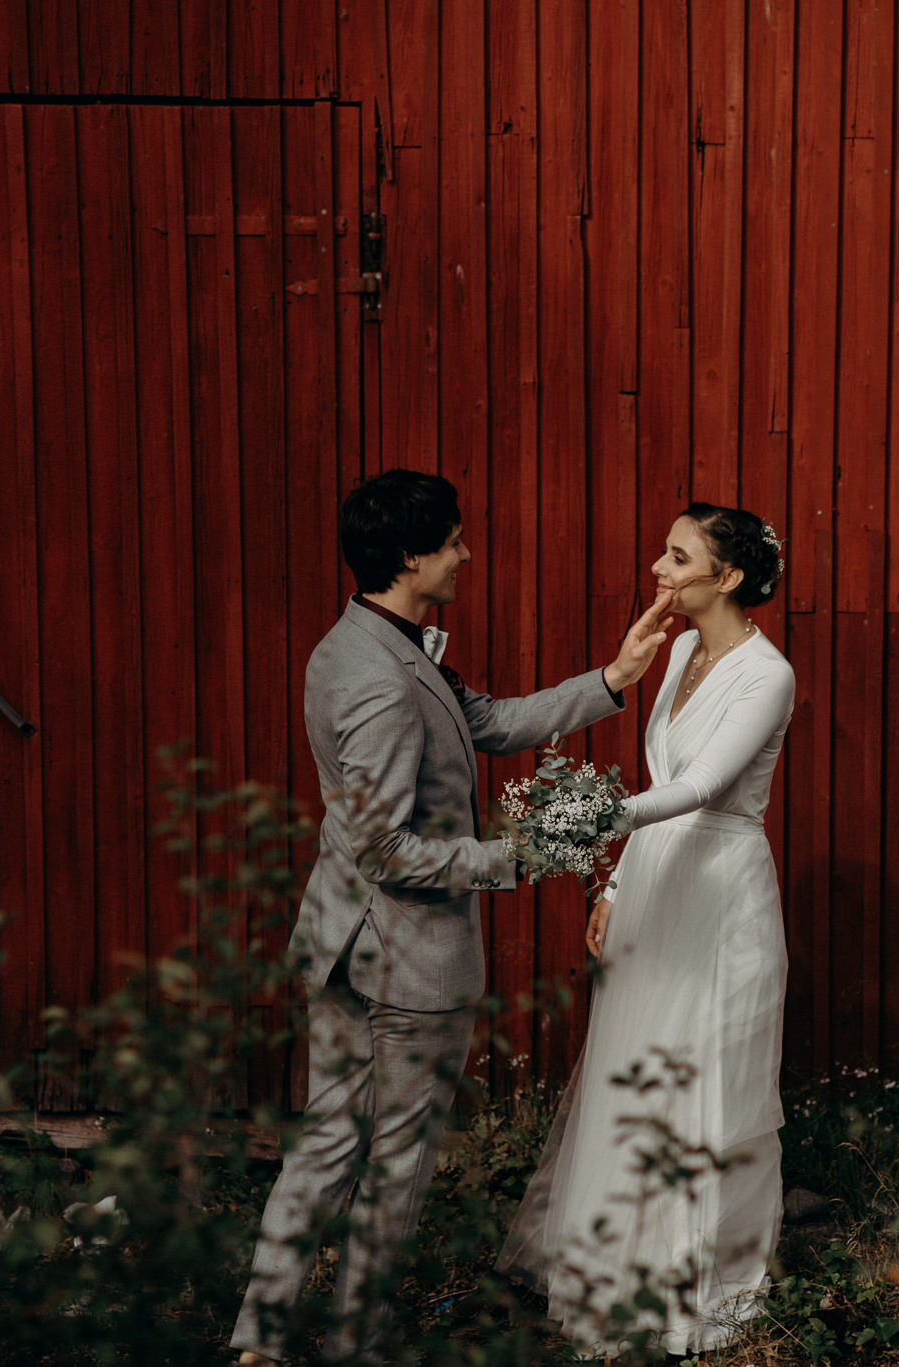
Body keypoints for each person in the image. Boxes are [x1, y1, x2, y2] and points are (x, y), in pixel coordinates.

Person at [232, 469, 674, 1365]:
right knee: (395, 1164)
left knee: (323, 1146)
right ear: (411, 554)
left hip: (339, 944)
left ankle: (260, 1341)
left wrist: (614, 678)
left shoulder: (360, 643)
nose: (467, 555)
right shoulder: (386, 682)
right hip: (402, 960)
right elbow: (386, 849)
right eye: (455, 541)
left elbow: (486, 721)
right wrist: (518, 856)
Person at [497, 502, 796, 1358]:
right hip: (656, 879)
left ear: (727, 576)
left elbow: (702, 786)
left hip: (721, 889)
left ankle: (699, 1293)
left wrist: (593, 817)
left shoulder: (765, 673)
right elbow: (661, 768)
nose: (659, 570)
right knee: (635, 1072)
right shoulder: (679, 653)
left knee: (706, 1076)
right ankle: (614, 1272)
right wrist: (616, 877)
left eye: (676, 556)